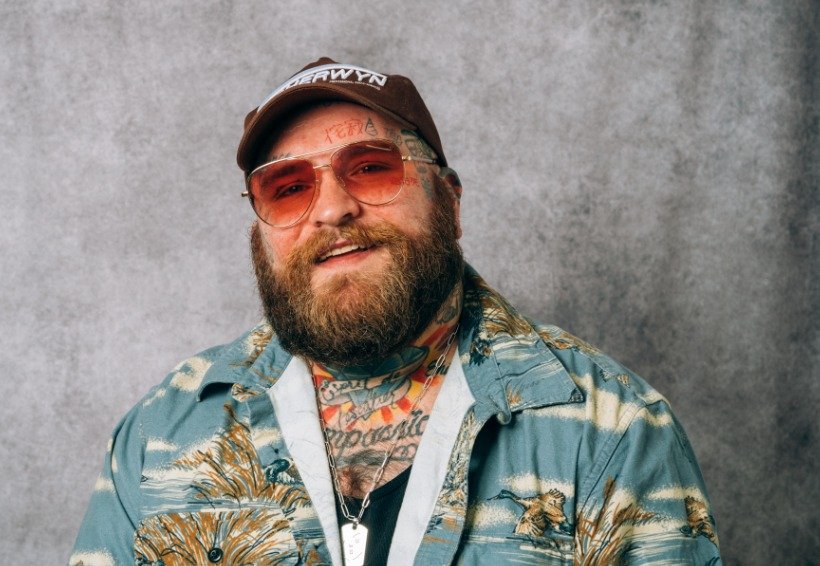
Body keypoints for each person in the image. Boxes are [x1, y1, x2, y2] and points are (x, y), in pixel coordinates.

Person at [71, 58, 721, 566]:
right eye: (289, 186)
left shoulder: (610, 431)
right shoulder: (164, 432)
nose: (331, 209)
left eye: (372, 168)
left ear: (450, 201)